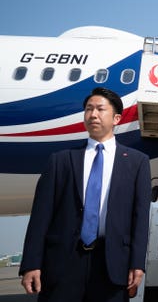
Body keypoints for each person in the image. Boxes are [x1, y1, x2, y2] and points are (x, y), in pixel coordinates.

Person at [19, 87, 151, 302]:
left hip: (112, 264)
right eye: (89, 109)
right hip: (63, 262)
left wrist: (137, 263)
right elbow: (40, 216)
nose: (93, 115)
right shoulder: (60, 160)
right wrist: (31, 263)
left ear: (116, 118)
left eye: (100, 109)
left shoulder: (137, 162)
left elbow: (140, 218)